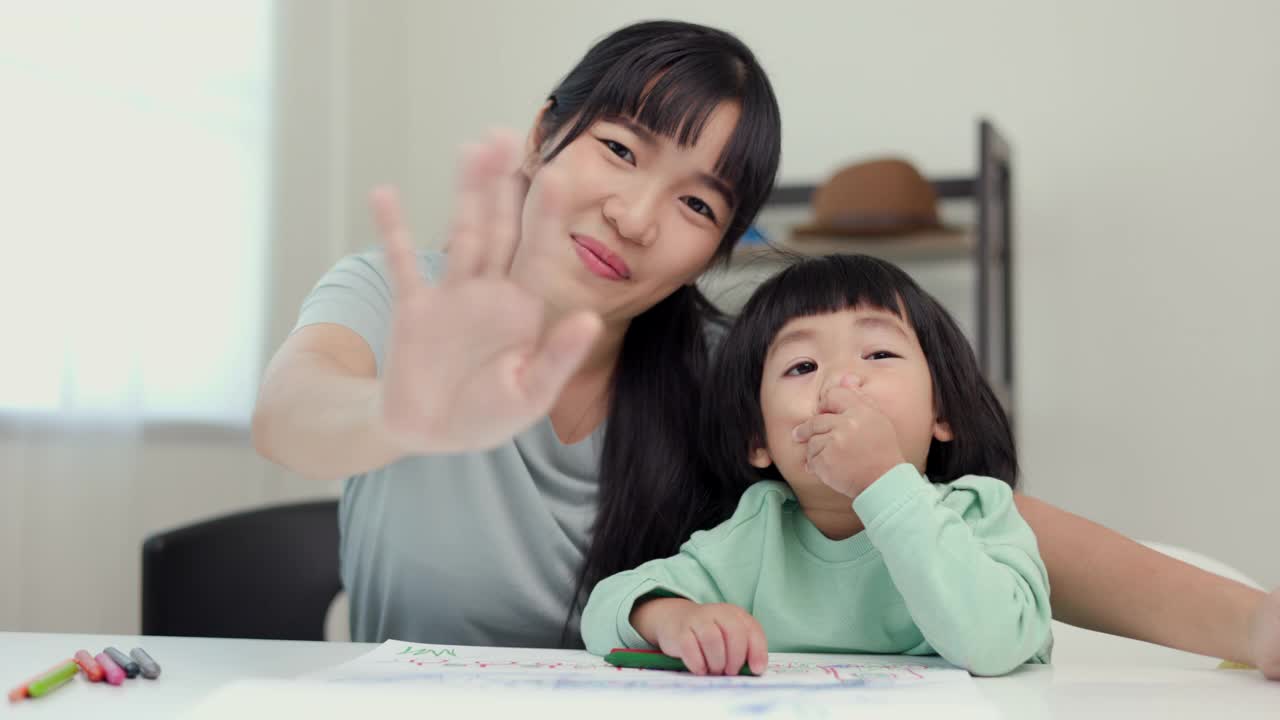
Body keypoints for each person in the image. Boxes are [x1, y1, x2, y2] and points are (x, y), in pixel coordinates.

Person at [251, 20, 1280, 678]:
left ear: (720, 241)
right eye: (618, 149)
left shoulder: (727, 368)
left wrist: (1251, 628)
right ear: (541, 136)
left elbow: (965, 513)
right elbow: (291, 415)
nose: (635, 215)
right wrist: (396, 416)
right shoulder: (399, 298)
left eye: (696, 201)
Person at [582, 254, 1051, 677]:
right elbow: (603, 610)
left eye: (879, 354)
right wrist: (673, 617)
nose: (841, 380)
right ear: (758, 439)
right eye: (802, 366)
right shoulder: (758, 532)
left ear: (941, 413)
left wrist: (885, 483)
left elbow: (996, 643)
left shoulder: (978, 512)